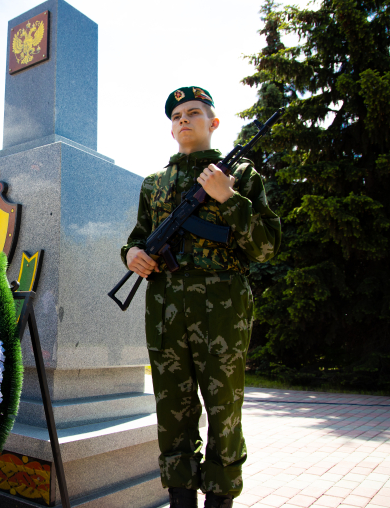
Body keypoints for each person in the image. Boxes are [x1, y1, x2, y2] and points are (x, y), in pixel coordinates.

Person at [121, 87, 281, 508]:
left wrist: (227, 197)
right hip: (165, 310)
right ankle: (180, 499)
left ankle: (221, 498)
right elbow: (136, 240)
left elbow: (265, 247)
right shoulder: (154, 184)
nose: (183, 120)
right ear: (171, 129)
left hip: (223, 308)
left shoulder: (241, 176)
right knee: (172, 409)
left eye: (194, 113)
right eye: (176, 116)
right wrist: (132, 255)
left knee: (224, 409)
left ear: (213, 124)